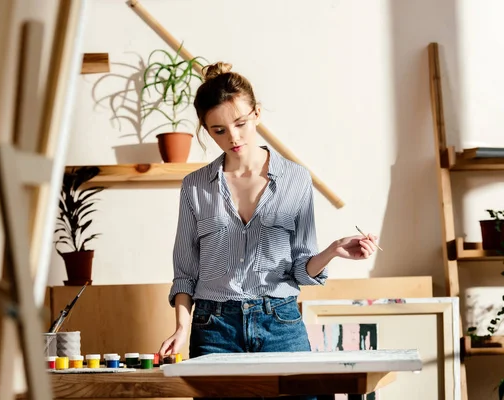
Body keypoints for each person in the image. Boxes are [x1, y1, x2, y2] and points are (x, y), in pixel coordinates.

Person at [158, 62, 379, 399]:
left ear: (257, 114)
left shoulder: (296, 179)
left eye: (240, 123)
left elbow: (301, 270)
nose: (232, 137)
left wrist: (333, 250)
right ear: (206, 130)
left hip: (281, 324)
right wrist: (181, 328)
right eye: (218, 130)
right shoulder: (195, 186)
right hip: (214, 330)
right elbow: (185, 273)